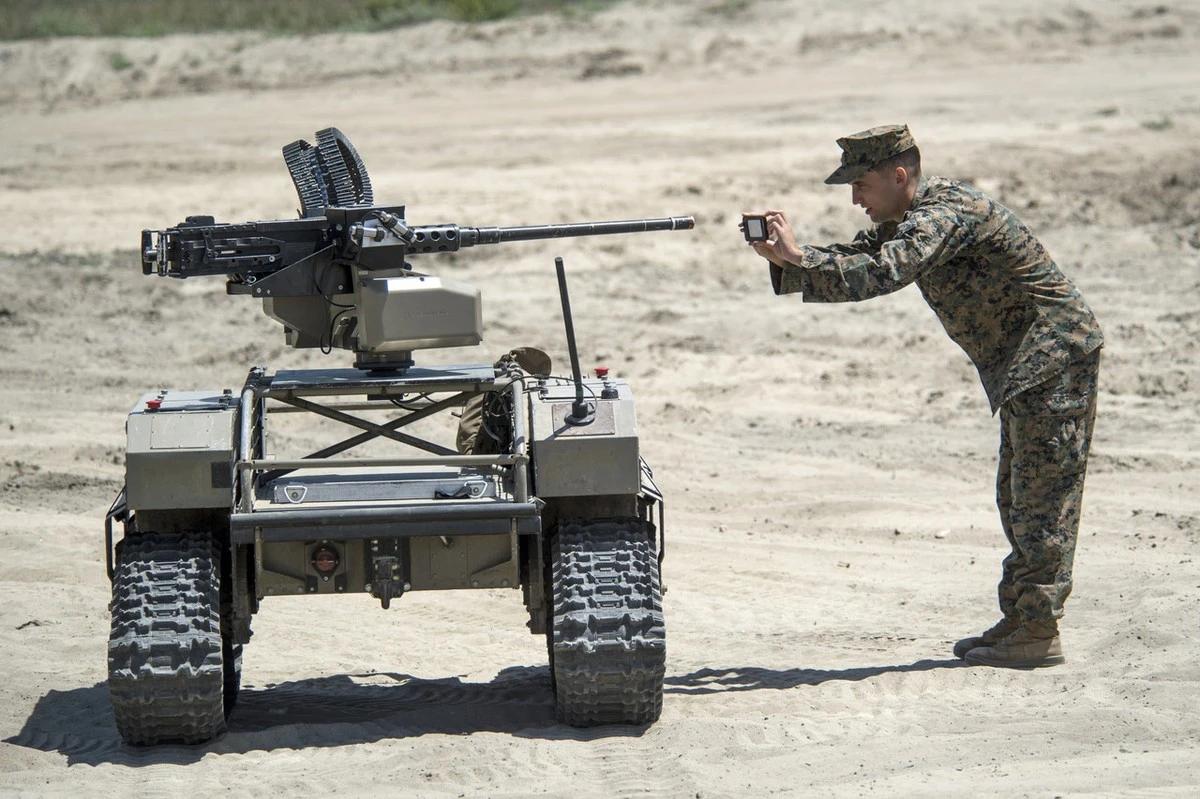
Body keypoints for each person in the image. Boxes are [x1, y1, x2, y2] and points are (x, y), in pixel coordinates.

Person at [745, 124, 1103, 668]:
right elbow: (854, 260)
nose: (854, 198)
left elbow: (885, 271)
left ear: (899, 175)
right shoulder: (910, 219)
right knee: (1018, 492)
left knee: (1041, 499)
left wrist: (801, 259)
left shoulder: (944, 214)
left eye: (861, 184)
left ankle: (1036, 629)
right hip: (1029, 365)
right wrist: (787, 258)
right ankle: (1024, 619)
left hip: (1053, 357)